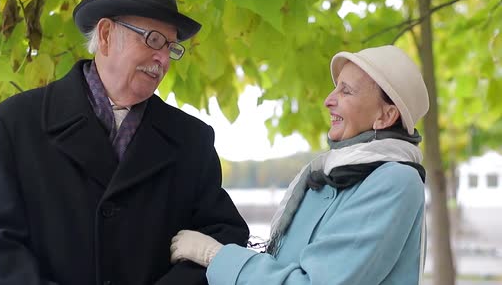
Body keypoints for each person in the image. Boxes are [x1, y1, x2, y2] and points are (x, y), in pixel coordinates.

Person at [0, 0, 249, 285]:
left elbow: (224, 234)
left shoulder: (192, 140)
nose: (163, 59)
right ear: (106, 35)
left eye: (170, 46)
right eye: (153, 40)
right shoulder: (13, 125)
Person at [170, 45, 430, 284]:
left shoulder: (395, 181)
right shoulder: (325, 174)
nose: (329, 99)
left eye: (346, 91)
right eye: (335, 87)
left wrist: (215, 256)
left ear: (386, 116)